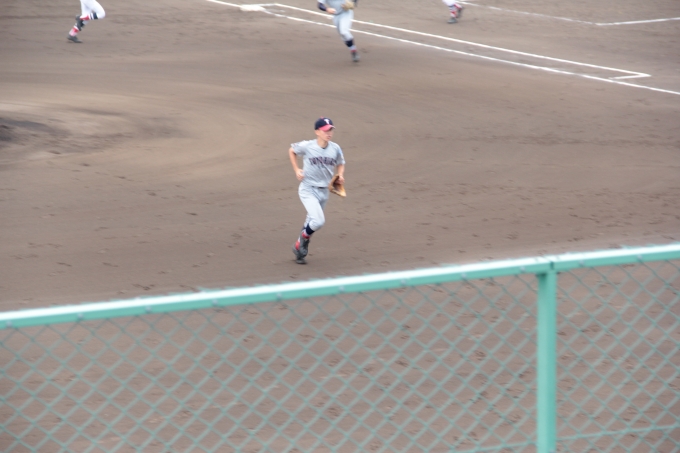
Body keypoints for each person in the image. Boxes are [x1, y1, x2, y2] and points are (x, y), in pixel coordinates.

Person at [289, 117, 346, 264]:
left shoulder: (335, 148)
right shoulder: (307, 146)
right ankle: (303, 239)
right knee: (318, 221)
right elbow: (292, 150)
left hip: (325, 191)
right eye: (325, 130)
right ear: (317, 132)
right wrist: (296, 170)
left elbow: (340, 163)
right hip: (308, 189)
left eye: (331, 130)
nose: (329, 133)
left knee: (311, 221)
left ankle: (299, 248)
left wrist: (340, 175)